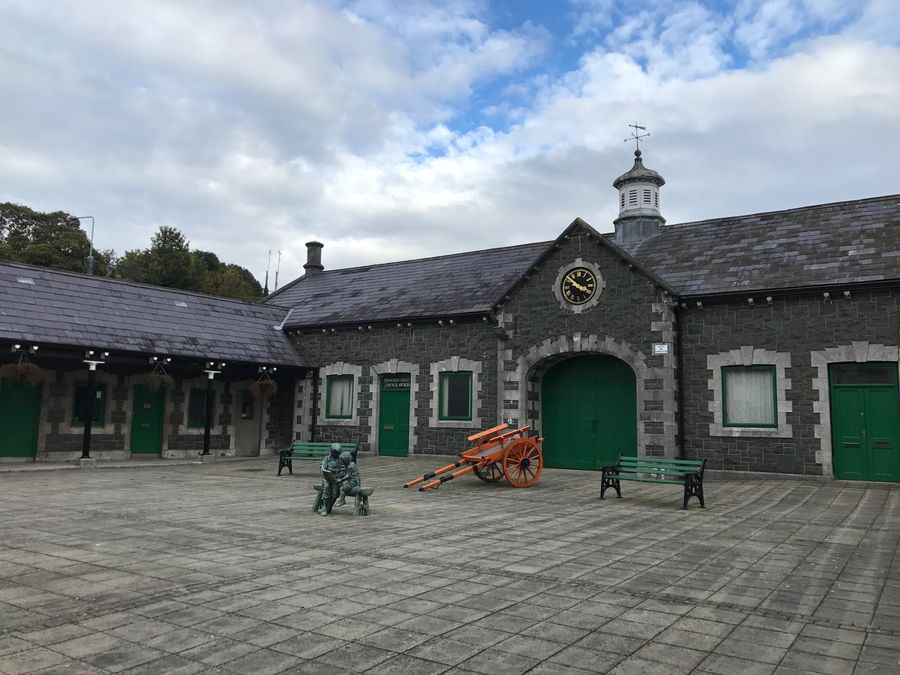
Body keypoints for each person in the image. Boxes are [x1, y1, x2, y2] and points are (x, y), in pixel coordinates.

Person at [318, 444, 344, 516]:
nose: (335, 454)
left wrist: (339, 475)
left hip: (336, 479)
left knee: (335, 492)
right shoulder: (327, 458)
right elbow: (323, 466)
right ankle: (325, 508)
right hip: (327, 478)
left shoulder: (341, 460)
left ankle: (329, 507)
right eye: (333, 453)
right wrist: (323, 470)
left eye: (337, 453)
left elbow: (343, 470)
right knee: (326, 487)